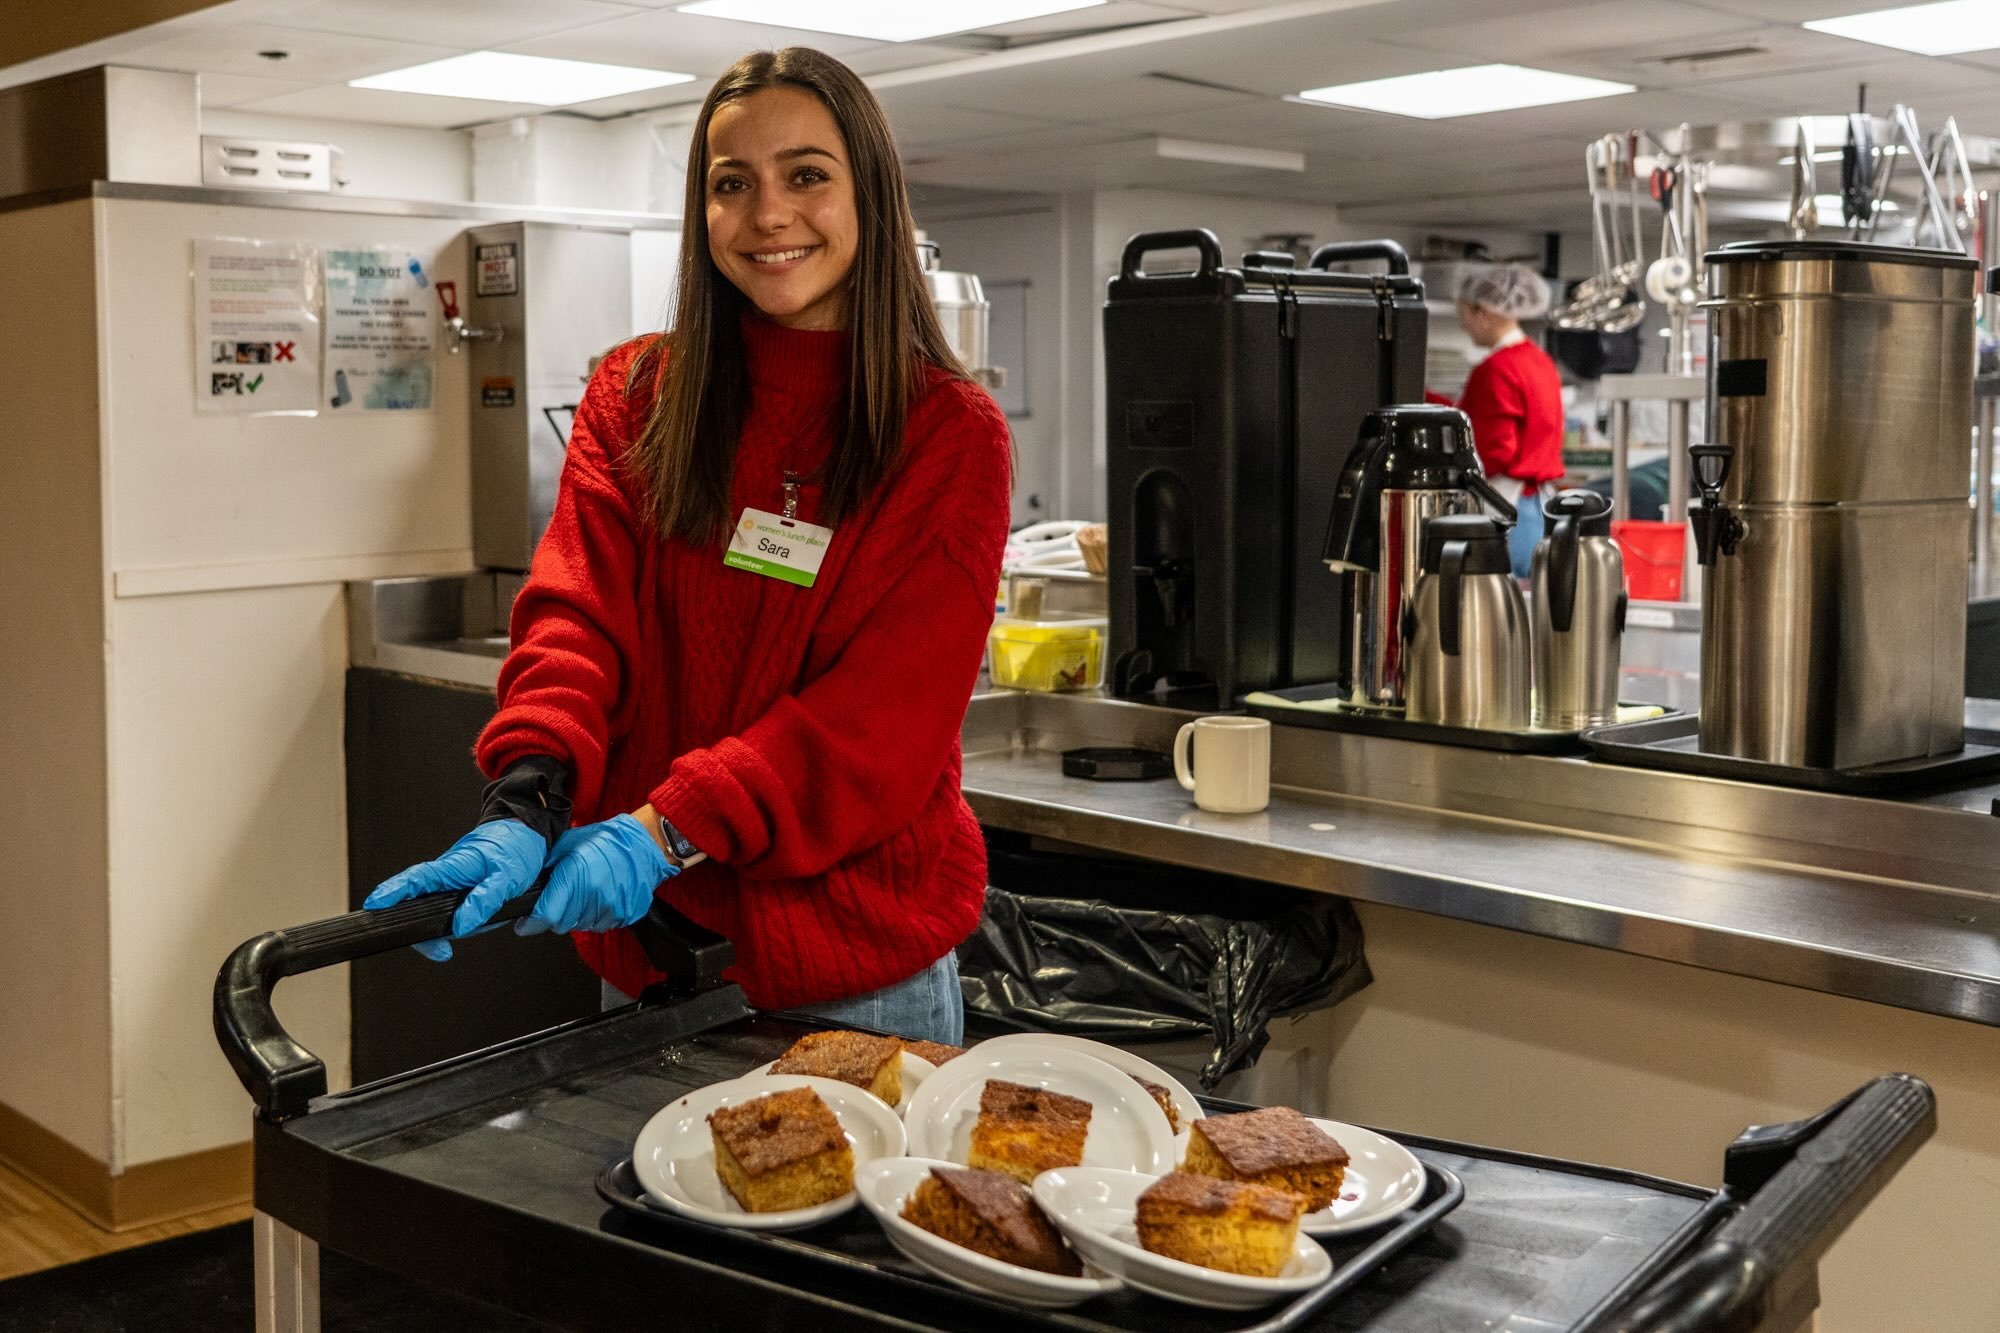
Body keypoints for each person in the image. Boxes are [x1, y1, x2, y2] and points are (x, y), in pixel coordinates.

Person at [362, 48, 1013, 1047]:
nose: (767, 215)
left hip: (856, 978)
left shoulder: (946, 434)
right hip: (652, 950)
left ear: (869, 197)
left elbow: (876, 723)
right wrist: (528, 795)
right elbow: (574, 618)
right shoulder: (637, 395)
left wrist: (661, 830)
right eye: (730, 184)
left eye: (805, 175)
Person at [1452, 265, 1566, 578]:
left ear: (1483, 312)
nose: (1464, 325)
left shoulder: (1495, 369)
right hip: (1540, 507)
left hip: (1504, 508)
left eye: (1464, 314)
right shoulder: (1539, 361)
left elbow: (1496, 450)